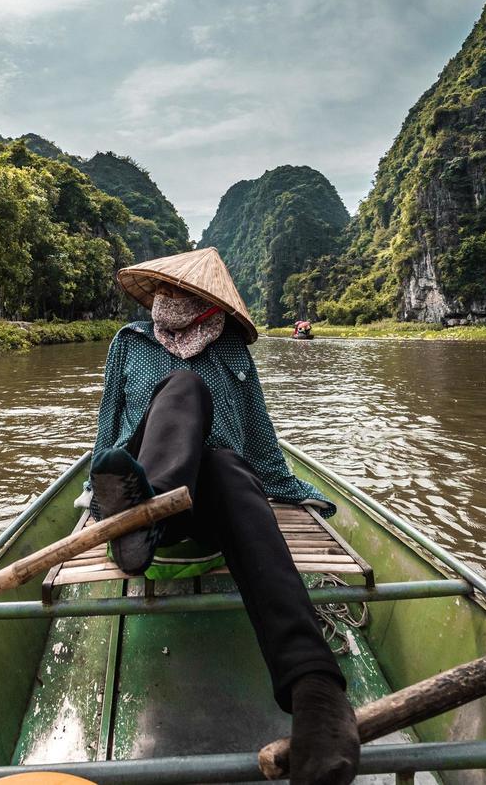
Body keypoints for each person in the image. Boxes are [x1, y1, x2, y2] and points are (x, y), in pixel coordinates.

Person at [86, 247, 360, 785]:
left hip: (215, 508)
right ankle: (140, 513)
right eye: (170, 292)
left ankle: (316, 690)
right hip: (141, 487)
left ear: (212, 305)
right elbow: (108, 431)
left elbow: (259, 442)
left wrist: (294, 491)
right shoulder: (129, 343)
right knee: (184, 386)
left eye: (190, 296)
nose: (176, 303)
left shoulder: (233, 350)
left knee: (229, 464)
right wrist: (100, 500)